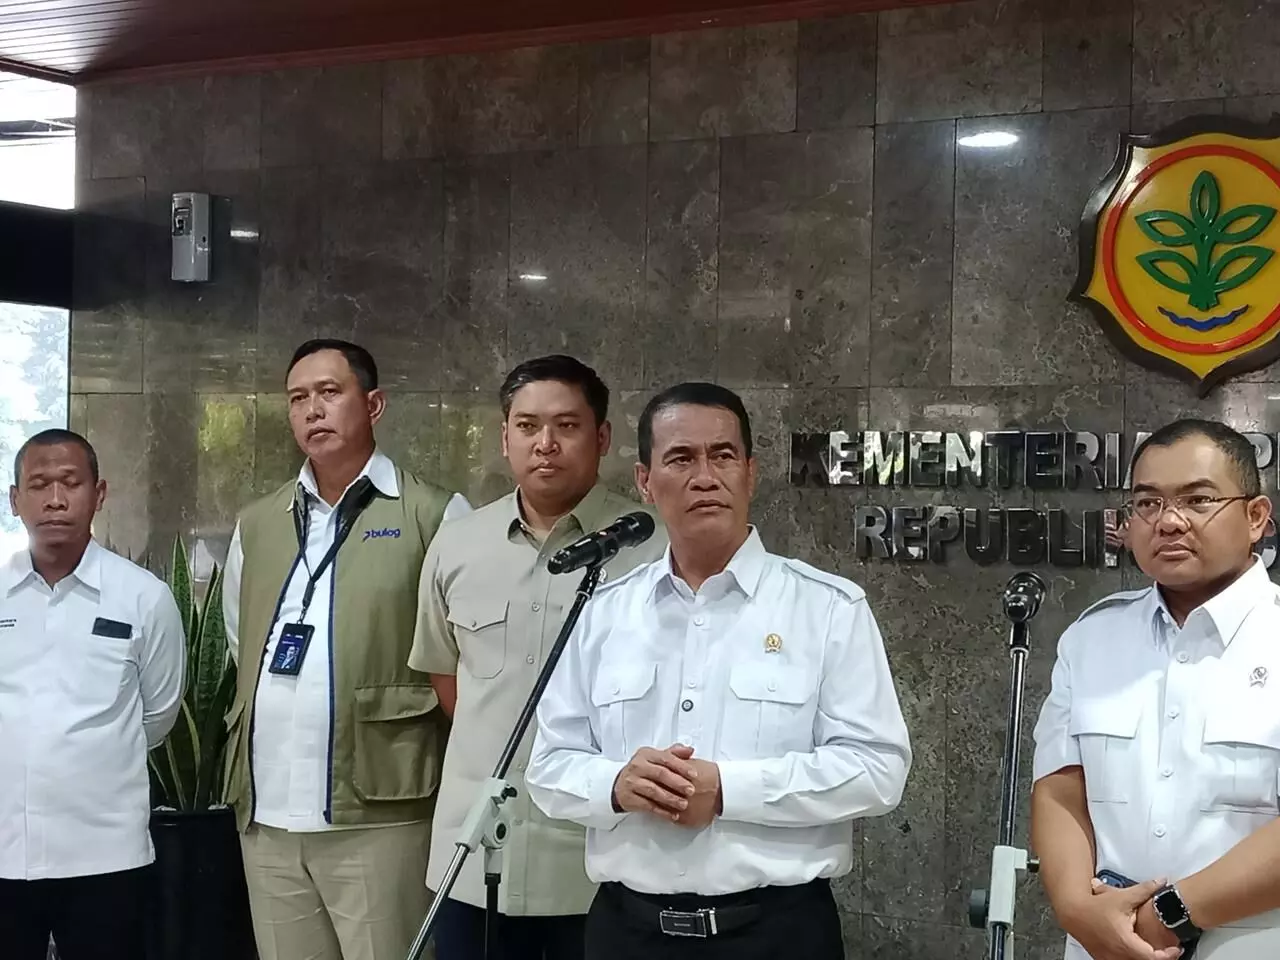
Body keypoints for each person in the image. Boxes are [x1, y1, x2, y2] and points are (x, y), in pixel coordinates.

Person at [525, 382, 912, 960]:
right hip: (627, 933)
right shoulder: (602, 611)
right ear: (645, 481)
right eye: (681, 458)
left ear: (750, 474)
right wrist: (615, 785)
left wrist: (729, 790)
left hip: (777, 934)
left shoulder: (827, 607)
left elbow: (878, 770)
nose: (704, 476)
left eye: (723, 455)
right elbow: (548, 767)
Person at [409, 355, 667, 960]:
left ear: (601, 437)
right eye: (526, 426)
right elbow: (448, 680)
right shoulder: (458, 544)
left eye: (566, 426)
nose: (545, 444)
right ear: (505, 438)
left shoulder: (654, 546)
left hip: (600, 864)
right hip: (474, 858)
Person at [222, 339, 471, 960]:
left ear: (373, 404)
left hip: (381, 807)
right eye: (297, 398)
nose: (312, 410)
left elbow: (463, 657)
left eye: (330, 393)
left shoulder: (433, 514)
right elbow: (239, 640)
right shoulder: (258, 523)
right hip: (267, 812)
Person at [1031, 418, 1280, 960]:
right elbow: (1059, 788)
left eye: (1198, 500)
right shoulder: (1093, 637)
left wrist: (1167, 917)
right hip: (1103, 946)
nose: (1168, 521)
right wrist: (1076, 909)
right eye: (1148, 503)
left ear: (1256, 517)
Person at [0, 429, 186, 960]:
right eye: (39, 485)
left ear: (99, 494)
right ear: (15, 500)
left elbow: (157, 715)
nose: (55, 499)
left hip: (106, 857)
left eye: (70, 482)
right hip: (5, 852)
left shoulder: (144, 598)